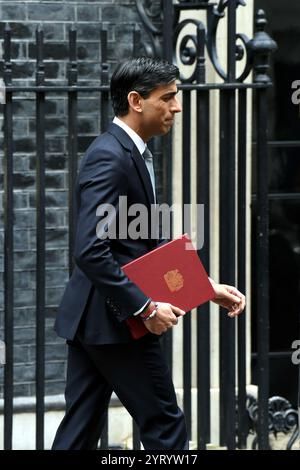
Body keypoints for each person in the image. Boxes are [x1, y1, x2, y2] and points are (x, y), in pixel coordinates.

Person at [52, 57, 245, 450]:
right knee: (165, 425)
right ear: (137, 101)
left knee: (79, 431)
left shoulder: (130, 152)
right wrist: (145, 308)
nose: (176, 106)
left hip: (96, 320)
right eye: (168, 97)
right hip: (117, 321)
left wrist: (205, 288)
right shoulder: (111, 156)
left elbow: (139, 246)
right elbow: (91, 250)